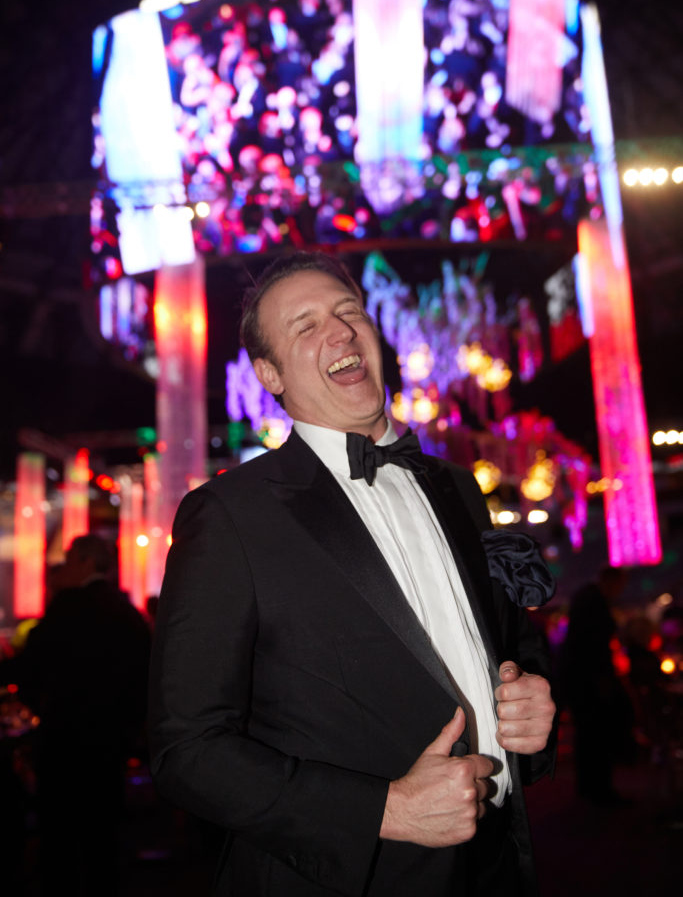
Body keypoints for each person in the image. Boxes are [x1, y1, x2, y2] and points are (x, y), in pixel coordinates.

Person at [148, 252, 556, 897]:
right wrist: (385, 810)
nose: (338, 332)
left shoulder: (454, 485)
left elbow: (503, 647)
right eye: (305, 327)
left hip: (496, 864)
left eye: (348, 313)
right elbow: (188, 751)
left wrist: (530, 701)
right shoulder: (229, 514)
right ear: (269, 374)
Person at [0, 534, 151, 895]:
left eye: (68, 559)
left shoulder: (69, 608)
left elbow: (31, 666)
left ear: (84, 561)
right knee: (103, 844)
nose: (60, 568)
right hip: (111, 744)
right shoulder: (127, 612)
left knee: (61, 844)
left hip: (66, 743)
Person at [560, 565, 634, 805]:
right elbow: (594, 646)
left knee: (589, 736)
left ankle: (590, 787)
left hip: (581, 678)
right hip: (590, 680)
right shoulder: (593, 601)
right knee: (598, 735)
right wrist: (603, 680)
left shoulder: (586, 597)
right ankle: (599, 789)